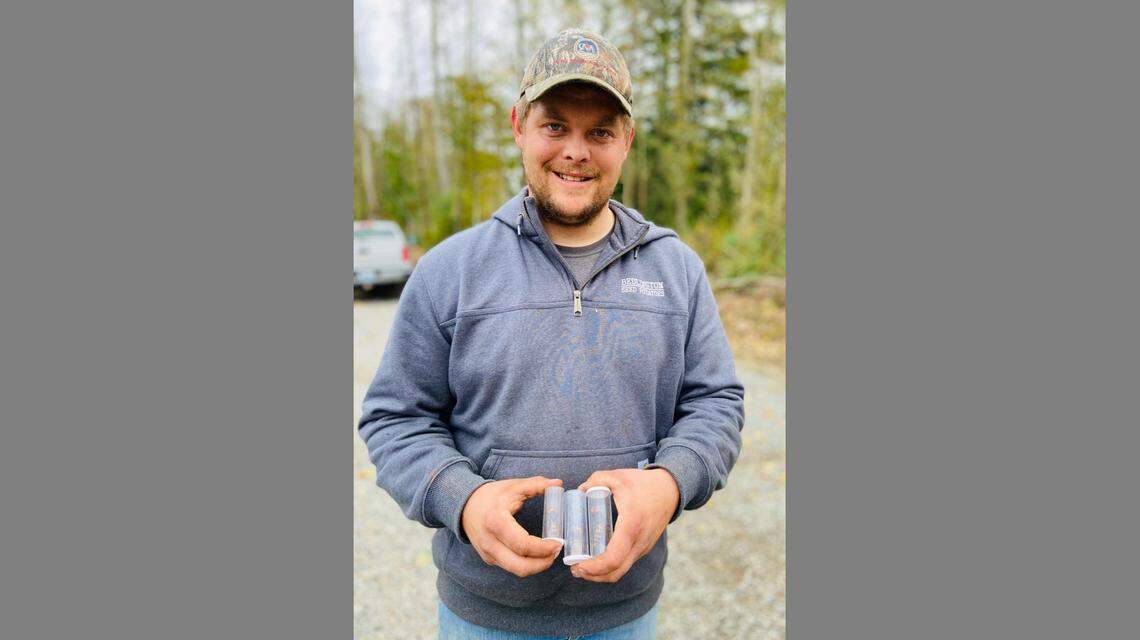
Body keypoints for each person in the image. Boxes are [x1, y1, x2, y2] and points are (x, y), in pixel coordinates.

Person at [358, 28, 745, 639]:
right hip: (483, 617)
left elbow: (715, 403)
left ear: (627, 142)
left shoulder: (676, 270)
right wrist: (463, 498)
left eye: (600, 132)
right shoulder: (450, 271)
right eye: (555, 126)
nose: (576, 151)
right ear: (518, 126)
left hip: (625, 613)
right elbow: (394, 417)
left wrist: (671, 484)